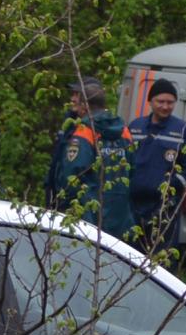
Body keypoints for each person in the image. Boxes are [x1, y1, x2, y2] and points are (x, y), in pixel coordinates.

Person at [126, 77, 186, 254]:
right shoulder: (135, 127)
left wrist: (171, 187)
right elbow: (124, 162)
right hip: (133, 207)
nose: (165, 106)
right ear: (150, 101)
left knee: (162, 260)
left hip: (164, 208)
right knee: (131, 258)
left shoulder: (184, 130)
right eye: (161, 101)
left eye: (170, 102)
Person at [43, 79, 127, 231]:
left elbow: (72, 176)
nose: (72, 99)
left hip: (86, 216)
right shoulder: (124, 131)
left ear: (84, 105)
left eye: (77, 95)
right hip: (119, 217)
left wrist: (63, 206)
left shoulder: (83, 131)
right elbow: (132, 170)